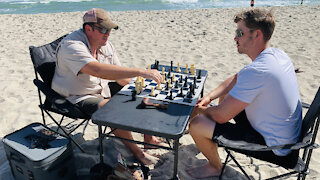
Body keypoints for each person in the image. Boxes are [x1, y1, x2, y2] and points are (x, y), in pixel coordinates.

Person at [186, 8, 302, 178]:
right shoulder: (277, 54)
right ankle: (208, 136)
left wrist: (198, 109)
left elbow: (220, 116)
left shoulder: (258, 70)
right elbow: (236, 78)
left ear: (257, 35)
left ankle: (215, 166)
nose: (235, 37)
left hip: (274, 147)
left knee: (197, 124)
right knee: (226, 97)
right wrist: (210, 97)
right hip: (284, 135)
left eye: (240, 32)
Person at [51, 8, 164, 165]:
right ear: (88, 28)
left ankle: (148, 138)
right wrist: (142, 71)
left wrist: (142, 88)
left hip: (101, 90)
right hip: (77, 96)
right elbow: (97, 70)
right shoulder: (71, 46)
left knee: (144, 92)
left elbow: (120, 77)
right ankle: (138, 153)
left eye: (110, 29)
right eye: (103, 29)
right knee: (112, 110)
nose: (107, 33)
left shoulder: (105, 45)